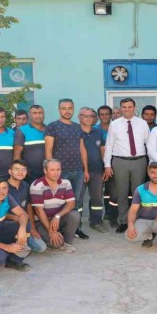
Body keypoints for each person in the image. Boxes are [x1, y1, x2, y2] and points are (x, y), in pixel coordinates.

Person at [44, 98, 90, 240]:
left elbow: (82, 149)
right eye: (64, 108)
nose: (67, 111)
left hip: (77, 171)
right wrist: (51, 171)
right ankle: (60, 229)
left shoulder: (77, 127)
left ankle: (76, 228)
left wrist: (85, 169)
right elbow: (48, 150)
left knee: (77, 201)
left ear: (73, 109)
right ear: (59, 110)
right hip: (60, 172)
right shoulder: (52, 126)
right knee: (60, 202)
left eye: (70, 108)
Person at [103, 98, 149, 233]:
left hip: (139, 161)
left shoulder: (142, 123)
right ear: (121, 108)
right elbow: (109, 145)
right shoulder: (114, 124)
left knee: (138, 193)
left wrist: (151, 163)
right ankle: (124, 221)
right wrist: (107, 165)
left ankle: (136, 220)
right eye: (124, 107)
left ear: (134, 108)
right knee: (121, 193)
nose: (127, 109)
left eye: (129, 107)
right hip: (120, 161)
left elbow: (149, 143)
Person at [125, 161, 157, 253]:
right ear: (148, 173)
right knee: (129, 237)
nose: (155, 175)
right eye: (152, 172)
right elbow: (133, 210)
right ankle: (149, 236)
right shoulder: (140, 189)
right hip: (143, 220)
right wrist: (130, 225)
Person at [30, 159, 82, 252]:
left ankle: (67, 243)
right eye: (52, 170)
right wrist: (51, 231)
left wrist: (57, 216)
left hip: (57, 219)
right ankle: (53, 236)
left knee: (75, 215)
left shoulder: (65, 183)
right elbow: (39, 211)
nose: (56, 173)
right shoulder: (37, 185)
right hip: (41, 222)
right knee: (56, 244)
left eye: (58, 169)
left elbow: (71, 204)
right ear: (45, 171)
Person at [6, 160, 48, 253]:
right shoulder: (3, 187)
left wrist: (32, 227)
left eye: (23, 169)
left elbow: (28, 206)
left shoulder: (25, 185)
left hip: (24, 223)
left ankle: (22, 243)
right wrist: (14, 217)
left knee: (41, 247)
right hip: (7, 224)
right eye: (17, 169)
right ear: (10, 171)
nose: (20, 172)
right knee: (19, 250)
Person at [78, 107, 107, 233]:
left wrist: (105, 167)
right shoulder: (75, 131)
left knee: (97, 198)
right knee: (78, 199)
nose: (89, 118)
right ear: (79, 117)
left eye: (91, 116)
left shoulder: (98, 132)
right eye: (86, 116)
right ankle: (76, 224)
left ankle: (96, 221)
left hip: (97, 170)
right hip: (79, 171)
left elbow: (102, 150)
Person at [13, 104, 47, 185]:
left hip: (47, 171)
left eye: (40, 113)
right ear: (29, 115)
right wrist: (19, 171)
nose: (38, 115)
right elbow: (17, 153)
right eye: (34, 113)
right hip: (30, 173)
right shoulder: (22, 131)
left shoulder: (49, 129)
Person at [97, 105, 119, 227]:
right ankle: (100, 215)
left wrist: (107, 165)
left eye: (107, 114)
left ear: (111, 115)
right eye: (102, 114)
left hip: (111, 164)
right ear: (98, 116)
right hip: (97, 165)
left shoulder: (116, 127)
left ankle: (111, 215)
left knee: (112, 190)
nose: (104, 116)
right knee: (99, 191)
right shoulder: (94, 129)